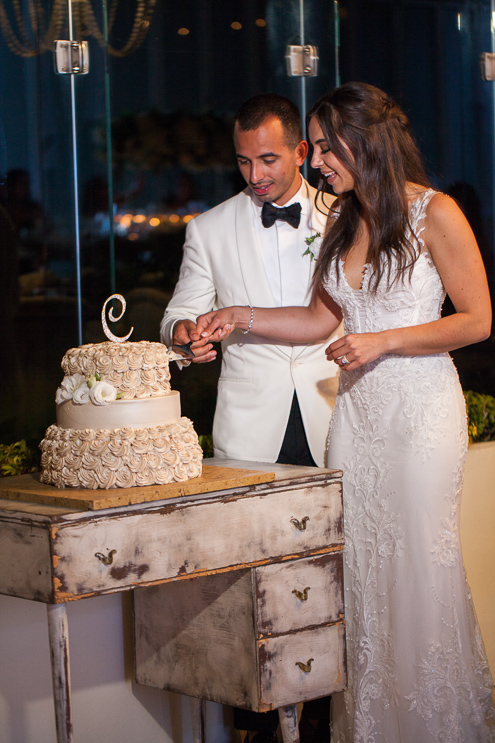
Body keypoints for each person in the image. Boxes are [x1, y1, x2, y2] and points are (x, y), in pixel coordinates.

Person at [196, 82, 495, 742]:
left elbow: (476, 320)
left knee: (417, 562)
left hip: (419, 413)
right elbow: (315, 319)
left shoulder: (434, 212)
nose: (319, 160)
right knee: (359, 568)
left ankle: (432, 723)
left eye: (327, 146)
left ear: (367, 141)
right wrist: (235, 315)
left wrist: (384, 340)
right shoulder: (342, 219)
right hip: (355, 421)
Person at [160, 94, 341, 742]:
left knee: (331, 570)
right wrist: (185, 335)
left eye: (267, 158)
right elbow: (176, 313)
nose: (255, 174)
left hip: (331, 412)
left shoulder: (344, 212)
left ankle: (325, 711)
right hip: (250, 427)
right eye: (243, 161)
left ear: (299, 151)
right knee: (254, 582)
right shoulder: (209, 228)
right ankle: (256, 720)